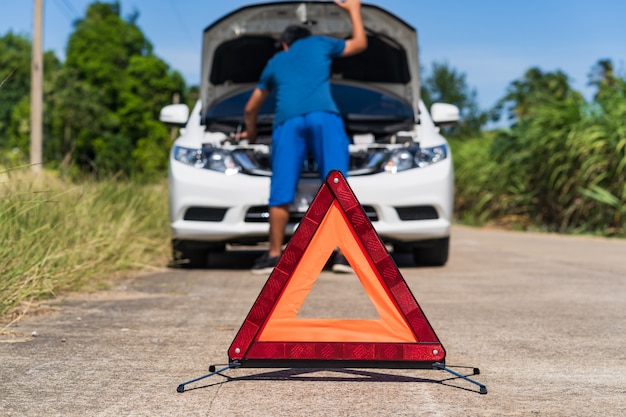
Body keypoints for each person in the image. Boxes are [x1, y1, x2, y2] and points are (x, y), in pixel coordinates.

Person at [243, 0, 367, 275]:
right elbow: (359, 44)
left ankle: (274, 255)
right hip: (323, 117)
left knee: (281, 189)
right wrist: (354, 9)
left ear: (285, 44)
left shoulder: (276, 61)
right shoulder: (321, 43)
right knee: (337, 185)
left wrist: (250, 131)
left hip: (288, 121)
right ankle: (343, 255)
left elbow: (251, 106)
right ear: (306, 39)